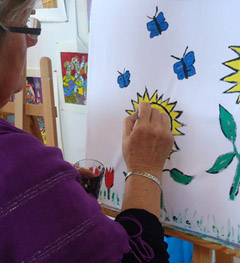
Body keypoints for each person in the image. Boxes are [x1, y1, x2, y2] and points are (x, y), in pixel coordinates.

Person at [0, 0, 173, 262]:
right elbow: (137, 257)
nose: (31, 42)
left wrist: (54, 193)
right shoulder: (17, 166)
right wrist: (144, 169)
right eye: (23, 26)